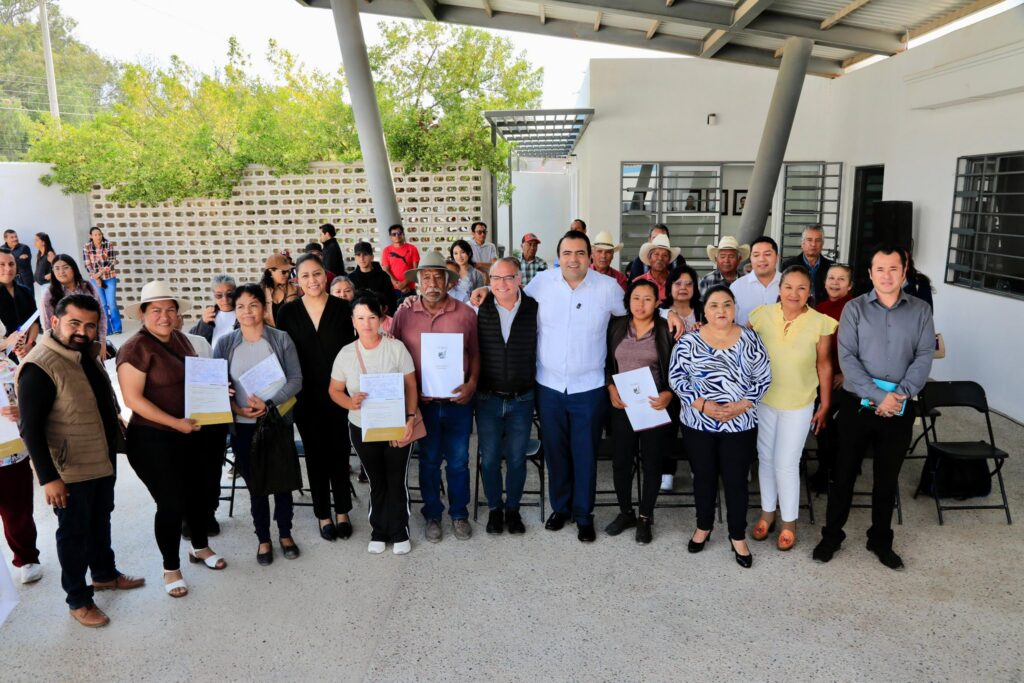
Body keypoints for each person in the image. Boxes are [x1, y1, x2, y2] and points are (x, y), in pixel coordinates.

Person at [17, 294, 145, 627]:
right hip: (70, 468)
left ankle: (104, 573)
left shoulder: (84, 354)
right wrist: (48, 478)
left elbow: (98, 397)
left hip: (100, 457)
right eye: (75, 323)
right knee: (73, 534)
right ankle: (78, 598)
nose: (82, 331)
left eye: (90, 325)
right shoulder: (39, 366)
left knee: (100, 520)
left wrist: (116, 419)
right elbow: (30, 429)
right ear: (55, 321)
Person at [813, 245, 934, 571]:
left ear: (904, 270)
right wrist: (880, 398)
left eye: (893, 268)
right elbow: (848, 360)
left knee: (886, 477)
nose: (886, 275)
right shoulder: (854, 309)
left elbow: (924, 357)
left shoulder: (921, 311)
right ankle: (832, 535)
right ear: (870, 274)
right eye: (880, 269)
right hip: (856, 406)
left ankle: (880, 538)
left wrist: (900, 397)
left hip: (900, 408)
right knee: (844, 473)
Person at [116, 281, 226, 599]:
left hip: (188, 433)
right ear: (143, 315)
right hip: (151, 439)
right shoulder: (134, 348)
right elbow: (133, 399)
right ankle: (170, 567)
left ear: (177, 314)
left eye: (170, 310)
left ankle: (200, 548)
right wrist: (175, 423)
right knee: (171, 503)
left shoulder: (181, 339)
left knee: (197, 495)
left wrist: (219, 393)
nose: (164, 316)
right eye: (156, 310)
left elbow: (196, 382)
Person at [527, 230, 627, 543]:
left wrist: (672, 315)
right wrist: (485, 292)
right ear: (559, 257)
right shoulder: (542, 282)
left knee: (585, 453)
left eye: (580, 253)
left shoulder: (608, 288)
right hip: (549, 385)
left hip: (589, 387)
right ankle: (561, 508)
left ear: (591, 256)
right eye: (567, 253)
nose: (573, 259)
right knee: (555, 452)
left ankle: (584, 514)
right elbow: (510, 302)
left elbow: (636, 316)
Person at [669, 285, 771, 569]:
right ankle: (703, 527)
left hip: (740, 423)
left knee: (736, 479)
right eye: (714, 305)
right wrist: (700, 404)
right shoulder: (689, 341)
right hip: (698, 422)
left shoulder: (751, 339)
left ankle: (737, 535)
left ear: (735, 308)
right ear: (705, 310)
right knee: (703, 476)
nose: (721, 310)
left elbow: (763, 377)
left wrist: (742, 405)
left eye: (727, 305)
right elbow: (677, 378)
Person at [390, 251, 480, 543]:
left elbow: (476, 354)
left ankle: (458, 513)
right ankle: (432, 514)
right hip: (422, 405)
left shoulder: (466, 314)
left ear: (449, 282)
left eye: (438, 277)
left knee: (457, 462)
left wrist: (473, 383)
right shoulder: (404, 314)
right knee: (428, 461)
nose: (432, 283)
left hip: (458, 404)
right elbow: (393, 355)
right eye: (426, 277)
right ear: (417, 282)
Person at [747, 266, 837, 551]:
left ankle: (789, 521)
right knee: (766, 458)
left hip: (799, 401)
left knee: (786, 462)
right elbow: (739, 345)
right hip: (765, 400)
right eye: (788, 287)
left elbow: (824, 364)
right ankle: (767, 512)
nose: (794, 293)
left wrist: (825, 403)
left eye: (801, 288)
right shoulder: (761, 315)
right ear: (779, 289)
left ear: (809, 291)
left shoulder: (821, 322)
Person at [214, 284, 303, 565]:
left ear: (264, 308)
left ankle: (285, 533)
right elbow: (216, 386)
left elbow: (296, 380)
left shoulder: (280, 339)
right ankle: (263, 538)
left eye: (253, 305)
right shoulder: (225, 344)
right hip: (242, 424)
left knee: (282, 481)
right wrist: (236, 407)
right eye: (240, 306)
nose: (247, 311)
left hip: (276, 420)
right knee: (256, 485)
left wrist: (270, 404)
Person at [329, 294, 418, 554]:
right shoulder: (346, 354)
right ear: (353, 321)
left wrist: (410, 418)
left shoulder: (396, 348)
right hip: (362, 426)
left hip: (397, 425)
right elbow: (334, 390)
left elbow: (411, 385)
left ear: (381, 319)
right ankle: (379, 529)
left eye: (371, 317)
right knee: (376, 480)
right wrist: (350, 402)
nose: (366, 323)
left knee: (396, 478)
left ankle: (400, 530)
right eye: (360, 318)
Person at [276, 254, 355, 542]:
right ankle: (323, 513)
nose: (313, 280)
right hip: (305, 396)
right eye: (306, 275)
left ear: (326, 276)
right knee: (315, 456)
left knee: (339, 452)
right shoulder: (288, 313)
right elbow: (282, 356)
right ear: (297, 278)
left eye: (317, 274)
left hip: (339, 393)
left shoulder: (343, 308)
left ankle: (343, 510)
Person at [604, 279, 675, 544]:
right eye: (636, 298)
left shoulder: (667, 329)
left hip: (653, 406)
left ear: (657, 302)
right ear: (628, 301)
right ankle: (626, 512)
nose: (641, 304)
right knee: (621, 461)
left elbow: (679, 368)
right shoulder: (617, 327)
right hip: (623, 406)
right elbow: (606, 363)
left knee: (651, 463)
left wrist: (669, 393)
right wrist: (611, 387)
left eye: (647, 298)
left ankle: (645, 516)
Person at [474, 257, 538, 536]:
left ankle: (512, 509)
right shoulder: (477, 307)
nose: (502, 284)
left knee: (516, 459)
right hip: (488, 398)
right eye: (496, 279)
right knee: (488, 459)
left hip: (522, 398)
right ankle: (494, 509)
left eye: (508, 278)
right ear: (489, 282)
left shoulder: (535, 307)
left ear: (519, 279)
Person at [0, 319, 41, 588]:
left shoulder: (9, 368)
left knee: (16, 509)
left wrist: (19, 412)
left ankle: (26, 557)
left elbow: (29, 402)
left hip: (9, 451)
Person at [809, 264, 855, 493]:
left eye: (841, 279)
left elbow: (865, 346)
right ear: (824, 282)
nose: (835, 283)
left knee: (841, 430)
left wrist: (846, 373)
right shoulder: (819, 308)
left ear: (850, 285)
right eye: (831, 278)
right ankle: (825, 470)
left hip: (847, 380)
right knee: (822, 426)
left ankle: (840, 474)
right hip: (822, 378)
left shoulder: (855, 308)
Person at [657, 265, 703, 492]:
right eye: (678, 283)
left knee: (696, 429)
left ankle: (698, 467)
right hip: (667, 380)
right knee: (667, 427)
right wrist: (670, 314)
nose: (683, 288)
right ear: (669, 287)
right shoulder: (661, 312)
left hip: (700, 382)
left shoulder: (704, 311)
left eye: (688, 283)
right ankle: (667, 471)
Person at [42, 255, 107, 356]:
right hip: (66, 347)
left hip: (90, 342)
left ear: (74, 268)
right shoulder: (49, 294)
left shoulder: (87, 287)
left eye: (65, 267)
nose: (61, 272)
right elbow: (48, 326)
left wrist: (102, 342)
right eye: (57, 268)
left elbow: (101, 315)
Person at [0, 250, 39, 362]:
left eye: (11, 264)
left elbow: (35, 322)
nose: (8, 269)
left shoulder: (25, 291)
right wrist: (6, 343)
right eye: (2, 264)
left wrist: (29, 345)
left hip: (27, 353)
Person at [731, 236, 780, 326]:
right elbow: (730, 323)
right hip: (746, 339)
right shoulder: (736, 287)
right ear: (751, 259)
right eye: (756, 255)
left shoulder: (788, 284)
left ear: (777, 257)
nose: (761, 259)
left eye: (767, 254)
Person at [82, 227, 122, 335]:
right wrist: (96, 277)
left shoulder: (108, 244)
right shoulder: (87, 247)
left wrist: (99, 274)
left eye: (99, 234)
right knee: (102, 304)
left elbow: (112, 261)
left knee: (112, 303)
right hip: (95, 280)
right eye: (95, 235)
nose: (98, 236)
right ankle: (107, 329)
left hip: (109, 278)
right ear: (91, 236)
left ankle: (117, 327)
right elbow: (87, 264)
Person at [781, 225, 832, 304]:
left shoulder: (831, 267)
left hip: (823, 312)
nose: (813, 244)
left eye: (817, 240)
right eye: (809, 240)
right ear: (802, 243)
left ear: (822, 244)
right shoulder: (789, 265)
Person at [348, 241, 397, 314]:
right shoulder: (350, 278)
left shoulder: (383, 276)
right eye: (358, 255)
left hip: (381, 316)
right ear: (355, 258)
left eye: (365, 254)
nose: (362, 258)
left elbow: (391, 300)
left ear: (372, 257)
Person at [189, 274, 237, 348]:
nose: (225, 299)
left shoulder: (243, 314)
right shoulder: (210, 315)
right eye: (219, 295)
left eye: (229, 294)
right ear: (214, 296)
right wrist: (203, 324)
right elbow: (193, 341)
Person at [632, 234, 680, 304]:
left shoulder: (677, 282)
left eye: (665, 255)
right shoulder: (637, 283)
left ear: (669, 260)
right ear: (649, 257)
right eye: (656, 254)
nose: (660, 258)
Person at [261, 253, 301, 328]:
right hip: (269, 336)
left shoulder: (296, 288)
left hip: (291, 335)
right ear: (271, 271)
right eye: (283, 272)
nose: (287, 275)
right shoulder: (260, 291)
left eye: (288, 271)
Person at [381, 224, 420, 299]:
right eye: (394, 234)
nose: (397, 236)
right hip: (393, 290)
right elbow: (386, 270)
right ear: (390, 237)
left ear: (403, 234)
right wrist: (399, 285)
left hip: (409, 289)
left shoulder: (412, 249)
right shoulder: (387, 250)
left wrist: (404, 283)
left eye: (399, 233)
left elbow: (415, 270)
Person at [449, 239, 485, 303]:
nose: (459, 256)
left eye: (462, 252)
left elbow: (480, 296)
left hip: (469, 308)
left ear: (469, 253)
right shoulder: (449, 272)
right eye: (456, 253)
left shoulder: (477, 274)